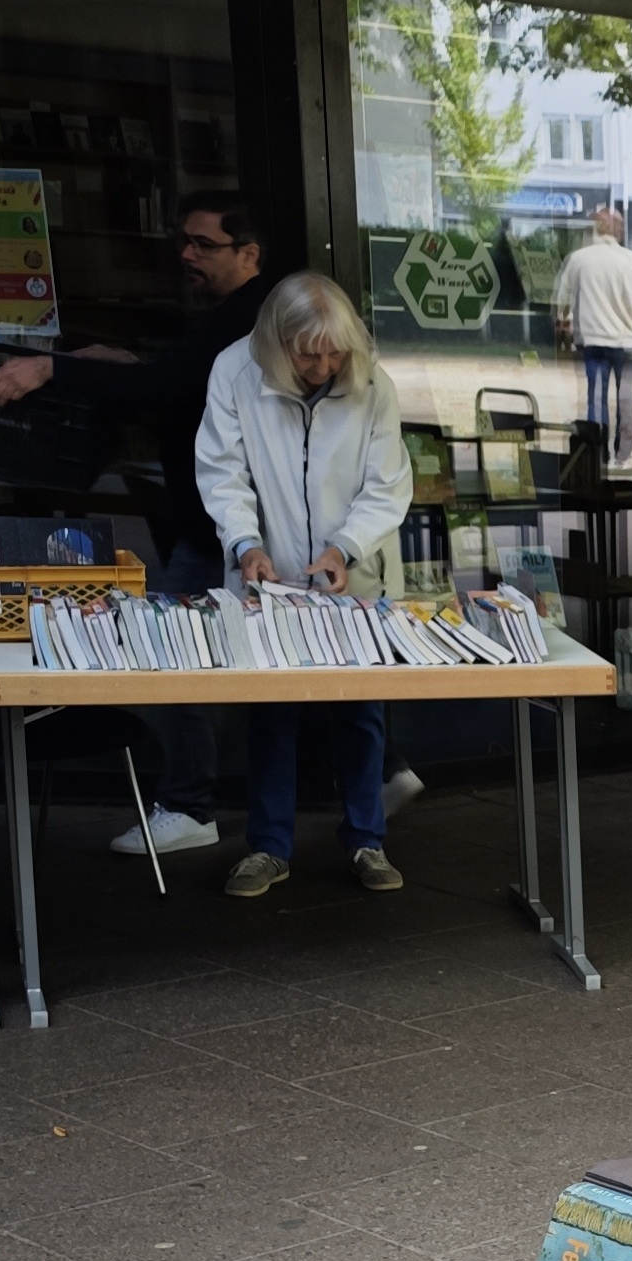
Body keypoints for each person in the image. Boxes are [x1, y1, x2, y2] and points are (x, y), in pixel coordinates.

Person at [0, 191, 273, 858]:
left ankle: (191, 802)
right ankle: (370, 769)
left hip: (230, 523)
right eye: (186, 242)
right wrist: (127, 365)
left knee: (183, 656)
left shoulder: (251, 317)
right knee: (201, 654)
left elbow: (170, 385)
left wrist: (53, 366)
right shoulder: (227, 314)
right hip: (215, 518)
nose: (187, 255)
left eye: (205, 245)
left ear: (249, 254)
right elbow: (174, 379)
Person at [196, 271, 416, 897]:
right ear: (275, 342)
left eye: (334, 353)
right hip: (266, 571)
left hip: (352, 569)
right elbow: (221, 471)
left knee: (362, 709)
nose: (324, 366)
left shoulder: (372, 381)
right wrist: (245, 543)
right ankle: (268, 848)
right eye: (307, 353)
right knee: (272, 712)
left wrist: (344, 547)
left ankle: (367, 840)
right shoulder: (234, 372)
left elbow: (388, 483)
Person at [550, 207, 632, 461]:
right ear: (618, 229)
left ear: (594, 227)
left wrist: (565, 324)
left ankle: (598, 452)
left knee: (596, 399)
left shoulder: (578, 259)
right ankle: (623, 453)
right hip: (625, 342)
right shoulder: (631, 260)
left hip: (592, 340)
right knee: (626, 400)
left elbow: (562, 300)